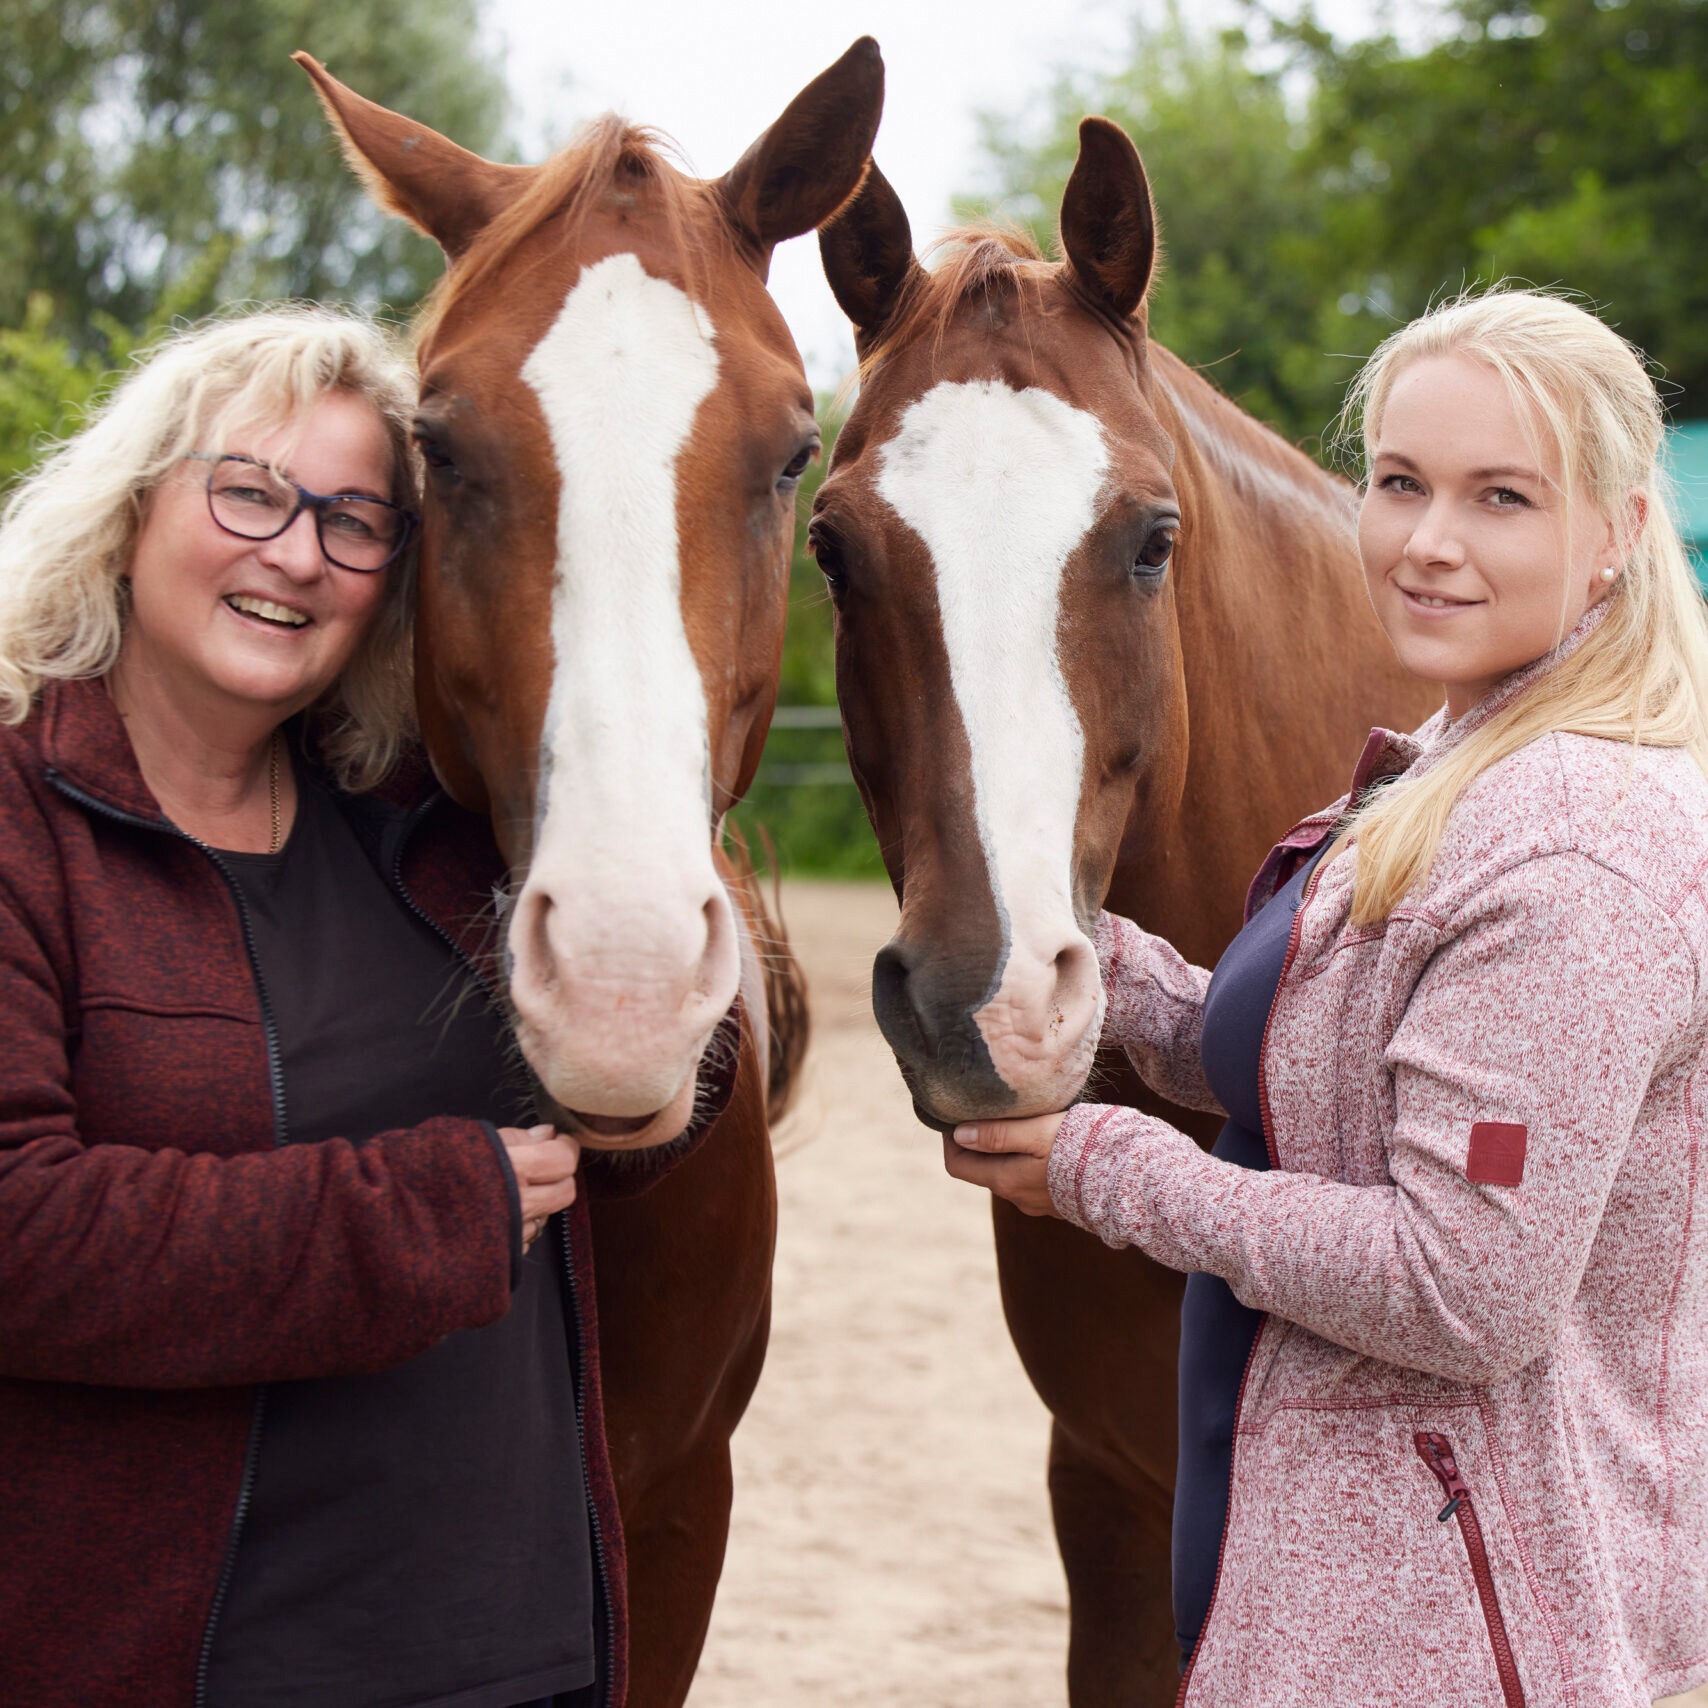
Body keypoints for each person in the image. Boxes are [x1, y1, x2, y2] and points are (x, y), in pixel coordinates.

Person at [945, 288, 1708, 1708]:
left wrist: (1111, 1169)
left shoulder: (1572, 846)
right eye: (1403, 483)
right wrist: (1102, 966)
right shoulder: (1462, 757)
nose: (1429, 542)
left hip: (1469, 1631)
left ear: (1614, 530)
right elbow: (1343, 1075)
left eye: (1502, 499)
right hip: (1381, 1586)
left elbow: (1459, 1286)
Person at [0, 306, 728, 1708]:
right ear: (138, 501)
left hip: (509, 1652)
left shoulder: (419, 824)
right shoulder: (25, 819)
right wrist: (429, 1214)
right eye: (251, 492)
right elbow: (23, 1238)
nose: (296, 554)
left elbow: (636, 1138)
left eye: (354, 521)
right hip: (182, 1661)